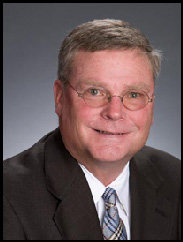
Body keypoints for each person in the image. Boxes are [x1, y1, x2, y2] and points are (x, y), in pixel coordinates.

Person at [3, 19, 181, 240]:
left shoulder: (175, 179)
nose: (114, 112)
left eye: (134, 94)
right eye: (95, 92)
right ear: (60, 98)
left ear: (152, 104)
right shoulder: (9, 195)